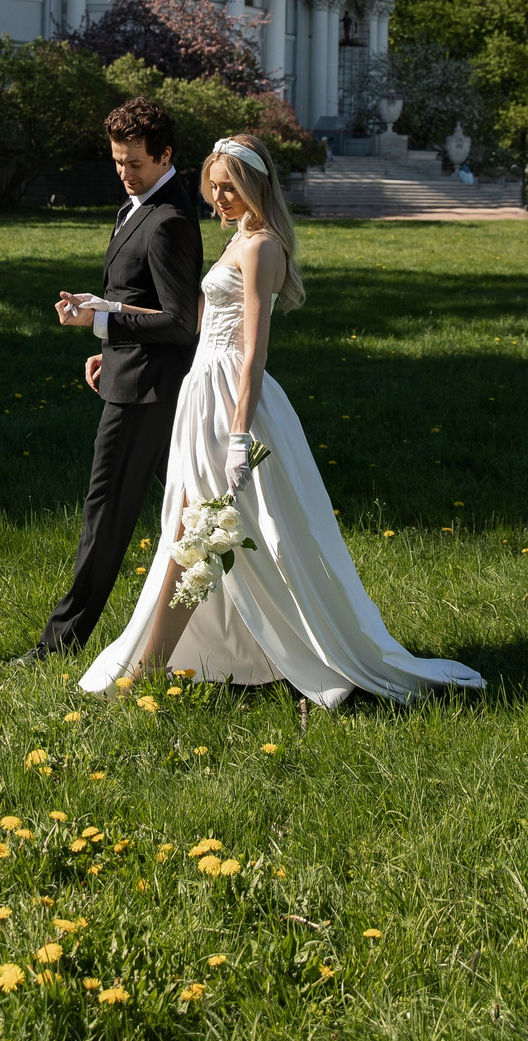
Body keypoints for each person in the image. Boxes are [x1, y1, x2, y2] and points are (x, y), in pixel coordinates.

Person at [78, 134, 484, 708]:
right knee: (195, 531)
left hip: (230, 402)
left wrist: (240, 437)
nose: (218, 199)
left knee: (204, 532)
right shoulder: (237, 240)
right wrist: (108, 319)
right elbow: (187, 324)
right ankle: (209, 658)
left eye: (229, 189)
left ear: (256, 187)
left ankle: (152, 670)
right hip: (202, 393)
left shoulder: (262, 247)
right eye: (212, 188)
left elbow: (252, 354)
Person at [14, 97, 204, 662]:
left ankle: (59, 646)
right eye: (117, 161)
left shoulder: (168, 217)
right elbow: (138, 301)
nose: (124, 174)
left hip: (148, 390)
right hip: (132, 371)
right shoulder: (140, 203)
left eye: (135, 164)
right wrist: (107, 335)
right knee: (200, 518)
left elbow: (179, 322)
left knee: (107, 515)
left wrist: (100, 320)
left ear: (165, 155)